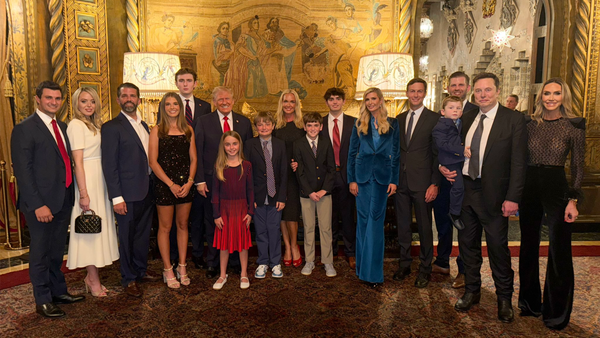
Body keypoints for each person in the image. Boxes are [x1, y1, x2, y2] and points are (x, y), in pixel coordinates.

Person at [441, 72, 527, 323]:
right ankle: (472, 292)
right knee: (467, 247)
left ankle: (503, 299)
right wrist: (442, 167)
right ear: (472, 92)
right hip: (466, 192)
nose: (482, 95)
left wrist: (513, 198)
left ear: (498, 91)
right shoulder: (465, 116)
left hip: (496, 197)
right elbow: (448, 146)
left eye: (487, 90)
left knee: (498, 249)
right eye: (478, 91)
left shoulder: (513, 120)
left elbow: (519, 163)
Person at [11, 81, 84, 318]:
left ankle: (58, 292)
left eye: (57, 98)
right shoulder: (25, 129)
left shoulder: (62, 126)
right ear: (38, 99)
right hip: (40, 204)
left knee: (56, 251)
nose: (53, 102)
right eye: (48, 98)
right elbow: (24, 171)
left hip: (63, 199)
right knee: (40, 252)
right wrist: (38, 204)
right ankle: (42, 299)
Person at [518, 78, 585, 330]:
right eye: (547, 93)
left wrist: (573, 199)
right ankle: (529, 303)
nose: (551, 97)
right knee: (528, 243)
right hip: (529, 185)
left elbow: (578, 165)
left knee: (559, 247)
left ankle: (556, 312)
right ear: (540, 96)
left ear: (563, 96)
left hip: (557, 186)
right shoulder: (529, 123)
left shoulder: (574, 125)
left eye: (557, 93)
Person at [102, 83, 161, 298]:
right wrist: (116, 197)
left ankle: (140, 270)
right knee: (126, 237)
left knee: (142, 235)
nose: (129, 99)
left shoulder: (145, 125)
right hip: (126, 194)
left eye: (133, 95)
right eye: (124, 95)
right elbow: (110, 165)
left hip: (147, 190)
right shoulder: (111, 127)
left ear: (138, 99)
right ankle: (128, 277)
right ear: (118, 100)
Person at [195, 86, 253, 279]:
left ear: (233, 100)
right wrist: (200, 180)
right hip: (213, 182)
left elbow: (248, 154)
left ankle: (235, 262)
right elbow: (199, 152)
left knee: (237, 223)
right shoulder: (203, 122)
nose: (224, 102)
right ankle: (212, 262)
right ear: (214, 101)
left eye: (227, 98)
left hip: (238, 183)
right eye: (220, 99)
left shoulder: (244, 122)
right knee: (215, 223)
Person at [66, 87, 119, 297]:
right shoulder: (76, 125)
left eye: (92, 101)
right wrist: (84, 193)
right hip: (88, 180)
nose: (88, 105)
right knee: (89, 232)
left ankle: (92, 277)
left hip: (100, 180)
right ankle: (93, 279)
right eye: (83, 101)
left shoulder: (94, 125)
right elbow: (77, 163)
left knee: (97, 229)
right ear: (76, 104)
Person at [347, 87, 400, 287]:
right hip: (361, 179)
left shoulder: (393, 124)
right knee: (363, 223)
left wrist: (394, 180)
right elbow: (352, 153)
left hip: (382, 180)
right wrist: (351, 179)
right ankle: (362, 269)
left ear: (380, 100)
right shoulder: (358, 124)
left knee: (375, 223)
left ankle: (373, 273)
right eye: (367, 99)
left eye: (373, 99)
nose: (370, 102)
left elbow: (395, 155)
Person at [393, 78, 440, 288]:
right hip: (401, 182)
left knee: (424, 228)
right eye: (412, 91)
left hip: (423, 184)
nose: (415, 95)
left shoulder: (435, 119)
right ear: (407, 92)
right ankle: (404, 264)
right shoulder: (399, 119)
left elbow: (438, 155)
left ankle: (425, 268)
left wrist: (434, 183)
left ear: (424, 93)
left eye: (419, 91)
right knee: (402, 226)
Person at [149, 92, 197, 289]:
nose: (172, 107)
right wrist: (171, 184)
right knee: (165, 227)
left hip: (185, 185)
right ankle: (168, 268)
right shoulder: (157, 130)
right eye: (168, 104)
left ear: (180, 106)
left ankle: (182, 266)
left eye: (175, 103)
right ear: (163, 107)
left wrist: (190, 182)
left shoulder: (188, 130)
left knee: (183, 225)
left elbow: (193, 159)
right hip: (165, 184)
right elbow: (153, 161)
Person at [432, 71, 475, 288]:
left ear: (468, 87)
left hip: (467, 178)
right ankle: (442, 261)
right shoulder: (444, 114)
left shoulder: (476, 113)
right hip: (444, 176)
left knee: (464, 226)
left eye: (461, 85)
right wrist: (440, 166)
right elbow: (435, 146)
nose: (457, 88)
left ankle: (464, 270)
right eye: (453, 85)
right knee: (442, 221)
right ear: (448, 88)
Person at [168, 68, 211, 271]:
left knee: (198, 216)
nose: (185, 84)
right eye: (181, 80)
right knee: (178, 218)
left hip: (198, 168)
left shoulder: (205, 106)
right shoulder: (170, 106)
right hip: (174, 170)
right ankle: (176, 256)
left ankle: (197, 255)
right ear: (176, 83)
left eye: (189, 80)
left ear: (195, 83)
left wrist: (199, 176)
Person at [244, 112, 288, 279]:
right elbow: (247, 173)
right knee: (261, 231)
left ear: (273, 126)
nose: (264, 127)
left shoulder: (280, 144)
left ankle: (275, 263)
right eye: (260, 125)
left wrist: (282, 197)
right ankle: (263, 262)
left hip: (276, 196)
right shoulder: (249, 145)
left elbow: (284, 172)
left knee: (274, 230)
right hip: (258, 197)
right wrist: (251, 198)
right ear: (256, 128)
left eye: (267, 124)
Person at [294, 112, 336, 277]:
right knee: (309, 228)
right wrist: (310, 192)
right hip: (307, 194)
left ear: (321, 127)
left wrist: (323, 190)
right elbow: (300, 171)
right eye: (309, 125)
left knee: (326, 228)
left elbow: (332, 169)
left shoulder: (326, 143)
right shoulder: (298, 144)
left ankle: (328, 261)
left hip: (324, 193)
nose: (312, 128)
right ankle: (309, 260)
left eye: (315, 125)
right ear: (304, 127)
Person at [211, 131, 254, 290]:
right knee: (224, 244)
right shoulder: (219, 166)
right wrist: (216, 214)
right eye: (228, 144)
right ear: (223, 146)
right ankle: (222, 275)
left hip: (242, 209)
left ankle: (243, 274)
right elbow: (215, 193)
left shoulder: (246, 165)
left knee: (242, 243)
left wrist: (250, 212)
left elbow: (250, 190)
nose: (231, 147)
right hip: (225, 210)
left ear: (239, 145)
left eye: (234, 144)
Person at [320, 88, 357, 269]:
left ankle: (350, 253)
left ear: (344, 101)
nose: (334, 102)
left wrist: (354, 178)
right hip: (326, 178)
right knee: (328, 218)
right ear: (326, 102)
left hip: (347, 177)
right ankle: (330, 252)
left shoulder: (354, 123)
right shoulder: (318, 123)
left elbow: (358, 152)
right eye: (331, 99)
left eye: (338, 99)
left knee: (348, 217)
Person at [273, 89, 305, 267]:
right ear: (281, 103)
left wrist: (300, 164)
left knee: (291, 214)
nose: (288, 105)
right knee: (281, 214)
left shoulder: (302, 125)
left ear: (296, 104)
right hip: (277, 176)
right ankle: (287, 247)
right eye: (285, 101)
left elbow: (308, 150)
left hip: (295, 177)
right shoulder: (276, 126)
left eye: (292, 101)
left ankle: (295, 246)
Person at [432, 96, 467, 230]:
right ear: (442, 111)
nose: (455, 111)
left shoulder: (459, 122)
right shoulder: (441, 126)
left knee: (460, 188)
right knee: (458, 187)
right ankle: (454, 214)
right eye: (451, 108)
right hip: (450, 161)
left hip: (459, 160)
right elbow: (442, 145)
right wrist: (462, 150)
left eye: (458, 108)